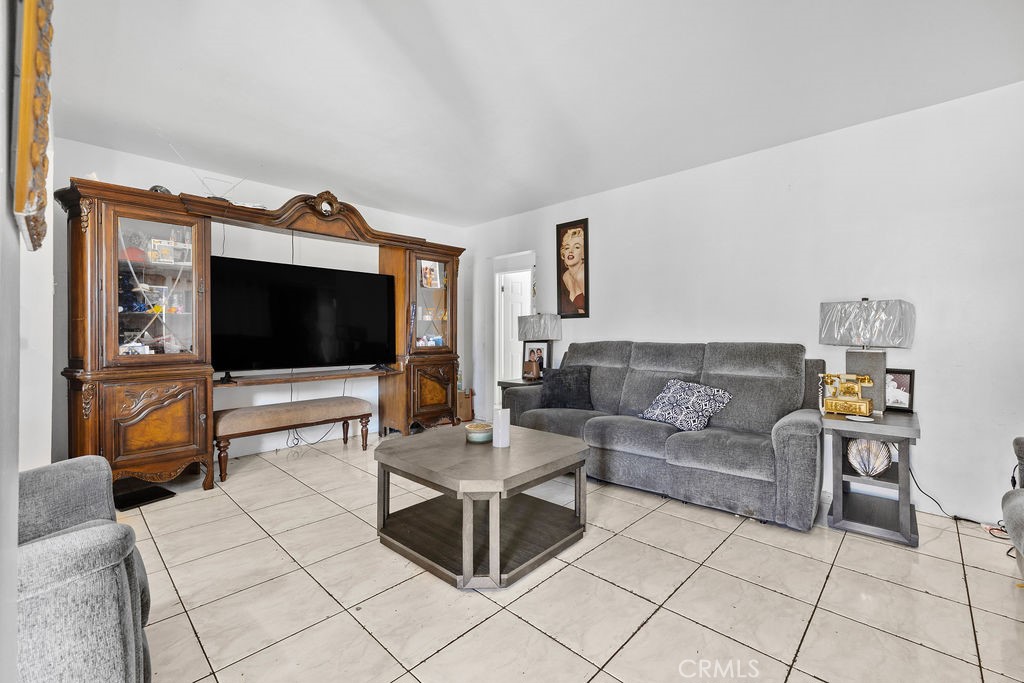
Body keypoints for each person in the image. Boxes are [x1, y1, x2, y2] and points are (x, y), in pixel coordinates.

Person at [559, 227, 586, 315]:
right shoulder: (566, 276)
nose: (570, 251)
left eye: (577, 247)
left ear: (583, 254)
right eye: (567, 248)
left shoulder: (582, 275)